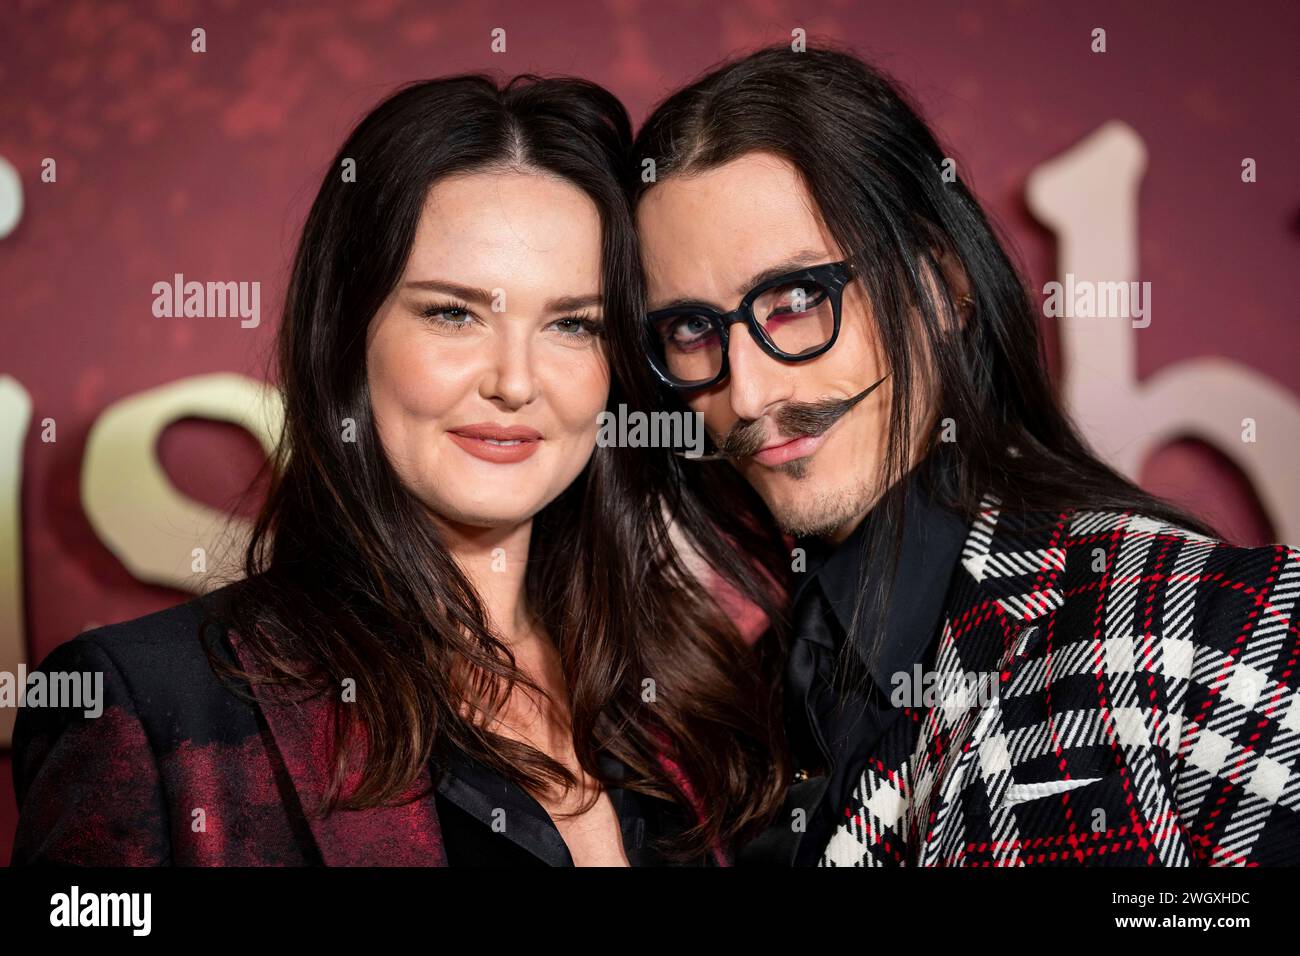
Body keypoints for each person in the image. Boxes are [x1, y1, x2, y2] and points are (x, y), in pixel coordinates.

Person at [10, 74, 787, 866]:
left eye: (573, 324)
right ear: (346, 336)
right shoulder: (149, 710)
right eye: (453, 313)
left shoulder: (693, 694)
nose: (515, 382)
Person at [629, 43, 1300, 866]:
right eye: (693, 330)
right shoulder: (723, 718)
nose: (750, 395)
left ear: (943, 285)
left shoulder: (1203, 619)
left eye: (798, 300)